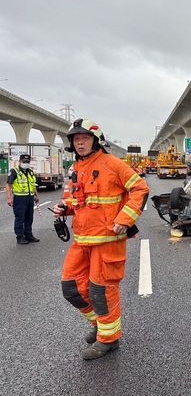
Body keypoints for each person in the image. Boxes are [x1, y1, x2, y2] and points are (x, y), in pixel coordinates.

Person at [52, 119, 149, 360]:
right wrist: (65, 207)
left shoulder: (112, 164)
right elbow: (81, 200)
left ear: (96, 141)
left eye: (85, 138)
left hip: (107, 241)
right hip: (83, 239)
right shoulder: (77, 168)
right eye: (76, 139)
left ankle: (109, 339)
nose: (80, 143)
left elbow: (140, 189)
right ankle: (101, 325)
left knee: (101, 292)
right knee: (71, 287)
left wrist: (125, 219)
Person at [6, 154, 40, 244]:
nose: (26, 163)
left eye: (27, 162)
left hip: (30, 197)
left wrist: (36, 195)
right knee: (20, 218)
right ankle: (20, 237)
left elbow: (33, 185)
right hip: (19, 198)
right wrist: (9, 198)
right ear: (19, 162)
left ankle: (28, 235)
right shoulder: (14, 171)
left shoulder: (30, 172)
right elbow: (8, 185)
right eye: (24, 162)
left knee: (29, 217)